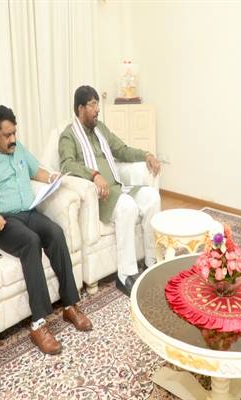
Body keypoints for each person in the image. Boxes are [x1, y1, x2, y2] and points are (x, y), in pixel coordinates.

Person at [0, 105, 92, 356]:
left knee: (56, 233)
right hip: (5, 222)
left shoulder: (19, 150)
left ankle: (70, 305)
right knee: (31, 242)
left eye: (14, 133)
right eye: (7, 135)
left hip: (29, 213)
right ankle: (38, 324)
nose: (13, 139)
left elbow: (37, 171)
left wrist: (52, 178)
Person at [58, 85, 162, 297]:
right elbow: (67, 164)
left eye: (97, 104)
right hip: (100, 196)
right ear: (80, 109)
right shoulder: (68, 136)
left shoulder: (101, 129)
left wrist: (146, 155)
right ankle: (126, 275)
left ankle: (151, 261)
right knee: (127, 206)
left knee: (152, 197)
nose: (97, 109)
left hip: (119, 188)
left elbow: (121, 150)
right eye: (92, 105)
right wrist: (93, 175)